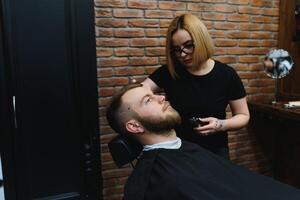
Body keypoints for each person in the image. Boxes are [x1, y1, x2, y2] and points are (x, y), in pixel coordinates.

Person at [106, 83, 300, 200]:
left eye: (154, 94)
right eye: (148, 100)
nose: (161, 97)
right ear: (134, 127)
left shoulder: (185, 148)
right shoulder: (150, 183)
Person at [142, 13, 250, 159]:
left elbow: (243, 116)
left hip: (215, 151)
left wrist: (220, 124)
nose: (182, 54)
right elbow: (141, 91)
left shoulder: (226, 74)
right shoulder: (169, 72)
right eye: (176, 49)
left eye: (188, 46)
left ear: (201, 41)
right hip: (178, 150)